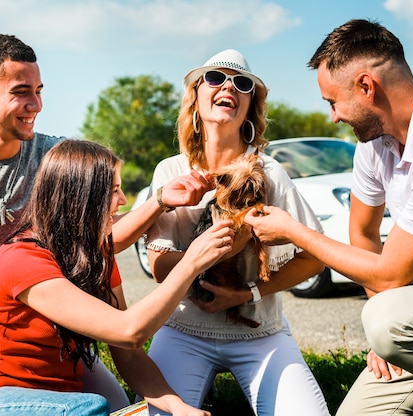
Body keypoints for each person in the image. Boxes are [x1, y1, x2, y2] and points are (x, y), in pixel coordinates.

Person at [0, 33, 212, 414]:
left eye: (39, 91)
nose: (36, 105)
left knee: (116, 404)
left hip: (48, 311)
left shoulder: (56, 158)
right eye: (22, 92)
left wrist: (159, 201)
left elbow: (98, 235)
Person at [244, 19, 413, 416]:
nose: (333, 117)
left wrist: (294, 231)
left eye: (332, 102)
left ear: (367, 87)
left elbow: (390, 275)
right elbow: (363, 231)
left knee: (387, 319)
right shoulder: (374, 144)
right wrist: (392, 339)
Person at [0, 139, 230, 415]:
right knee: (92, 408)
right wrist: (190, 263)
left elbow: (129, 353)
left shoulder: (95, 255)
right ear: (80, 198)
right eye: (114, 191)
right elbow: (130, 331)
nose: (123, 201)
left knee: (125, 409)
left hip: (64, 400)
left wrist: (178, 406)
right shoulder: (22, 260)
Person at [143, 49, 331, 416]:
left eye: (241, 84)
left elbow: (314, 259)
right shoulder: (171, 171)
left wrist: (246, 292)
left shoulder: (268, 172)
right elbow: (160, 267)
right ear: (196, 95)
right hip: (183, 329)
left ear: (249, 107)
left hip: (260, 333)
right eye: (215, 78)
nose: (228, 85)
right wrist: (217, 249)